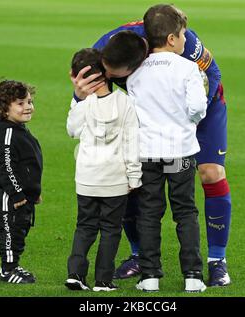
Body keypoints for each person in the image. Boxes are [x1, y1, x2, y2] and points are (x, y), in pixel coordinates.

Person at [71, 4, 232, 287]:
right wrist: (79, 97)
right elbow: (86, 93)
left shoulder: (186, 43)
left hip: (201, 101)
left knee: (210, 173)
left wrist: (186, 123)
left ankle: (217, 260)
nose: (107, 80)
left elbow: (212, 77)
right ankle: (140, 258)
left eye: (112, 76)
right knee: (129, 179)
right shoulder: (102, 53)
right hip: (153, 115)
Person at [125, 5, 207, 293]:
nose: (186, 40)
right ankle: (193, 276)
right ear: (172, 38)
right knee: (185, 211)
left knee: (148, 213)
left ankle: (149, 277)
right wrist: (190, 120)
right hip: (181, 152)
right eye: (183, 35)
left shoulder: (135, 72)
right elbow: (198, 107)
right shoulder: (188, 68)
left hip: (147, 152)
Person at [65, 48, 142, 292]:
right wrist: (134, 177)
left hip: (87, 178)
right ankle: (103, 281)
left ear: (74, 76)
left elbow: (72, 131)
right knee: (110, 230)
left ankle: (75, 274)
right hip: (115, 180)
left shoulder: (82, 103)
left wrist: (77, 98)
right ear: (107, 72)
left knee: (85, 226)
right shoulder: (125, 102)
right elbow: (132, 142)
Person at [0, 79, 43, 284]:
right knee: (10, 232)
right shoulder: (7, 132)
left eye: (29, 101)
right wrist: (17, 193)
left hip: (22, 195)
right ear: (4, 108)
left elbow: (27, 164)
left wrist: (34, 191)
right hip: (10, 197)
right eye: (20, 103)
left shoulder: (18, 129)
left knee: (19, 231)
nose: (28, 107)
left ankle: (13, 265)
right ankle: (7, 270)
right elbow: (6, 166)